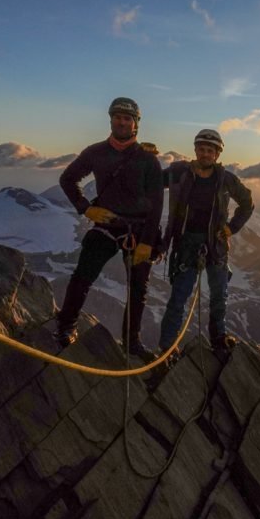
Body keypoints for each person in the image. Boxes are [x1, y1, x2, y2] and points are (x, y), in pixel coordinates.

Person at [54, 97, 164, 357]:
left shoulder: (148, 160)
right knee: (83, 276)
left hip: (138, 230)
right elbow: (67, 178)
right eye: (118, 117)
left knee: (138, 288)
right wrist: (85, 208)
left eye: (128, 118)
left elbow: (157, 203)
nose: (122, 122)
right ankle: (66, 325)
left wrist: (147, 242)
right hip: (107, 223)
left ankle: (131, 341)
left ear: (136, 124)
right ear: (111, 119)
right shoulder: (95, 152)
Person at [157, 129, 253, 355]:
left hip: (215, 245)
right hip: (187, 244)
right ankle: (166, 349)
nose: (205, 154)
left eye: (210, 150)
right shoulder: (179, 172)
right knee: (178, 298)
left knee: (219, 295)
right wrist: (143, 158)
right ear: (195, 150)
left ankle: (218, 338)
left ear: (217, 154)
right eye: (202, 149)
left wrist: (231, 228)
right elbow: (153, 180)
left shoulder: (226, 179)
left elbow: (247, 203)